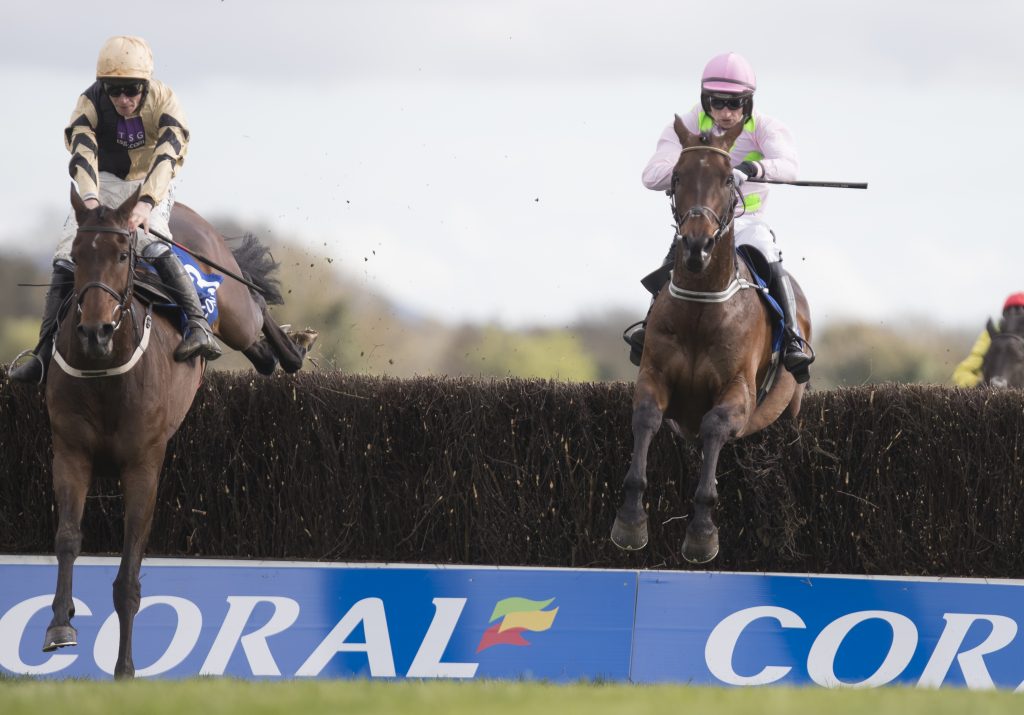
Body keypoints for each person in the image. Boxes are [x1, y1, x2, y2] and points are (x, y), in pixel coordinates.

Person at [9, 35, 221, 384]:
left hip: (150, 179)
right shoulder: (89, 101)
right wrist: (90, 198)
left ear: (146, 84)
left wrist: (146, 203)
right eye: (114, 91)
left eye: (132, 90)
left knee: (153, 244)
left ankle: (198, 324)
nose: (123, 99)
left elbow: (168, 156)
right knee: (65, 253)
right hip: (105, 181)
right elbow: (81, 151)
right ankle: (43, 352)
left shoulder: (165, 100)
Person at [623, 51, 814, 383]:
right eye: (717, 103)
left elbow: (790, 167)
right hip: (704, 222)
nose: (726, 113)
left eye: (736, 103)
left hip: (747, 221)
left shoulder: (765, 127)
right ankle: (649, 326)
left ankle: (794, 338)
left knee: (769, 255)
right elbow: (651, 175)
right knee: (676, 258)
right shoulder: (685, 126)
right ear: (704, 99)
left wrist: (752, 168)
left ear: (749, 103)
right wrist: (694, 169)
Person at [951, 292, 1024, 387]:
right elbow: (962, 372)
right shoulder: (990, 335)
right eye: (1010, 310)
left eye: (1018, 310)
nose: (1014, 314)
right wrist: (979, 385)